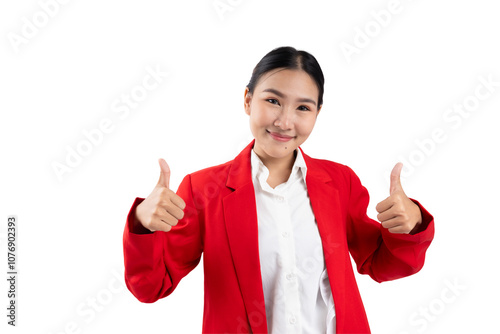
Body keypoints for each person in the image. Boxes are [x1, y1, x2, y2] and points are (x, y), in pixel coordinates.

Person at [122, 46, 434, 334]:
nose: (285, 122)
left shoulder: (339, 182)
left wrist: (410, 227)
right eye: (272, 101)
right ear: (247, 100)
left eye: (303, 108)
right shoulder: (204, 189)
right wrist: (143, 225)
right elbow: (150, 287)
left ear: (317, 114)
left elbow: (382, 265)